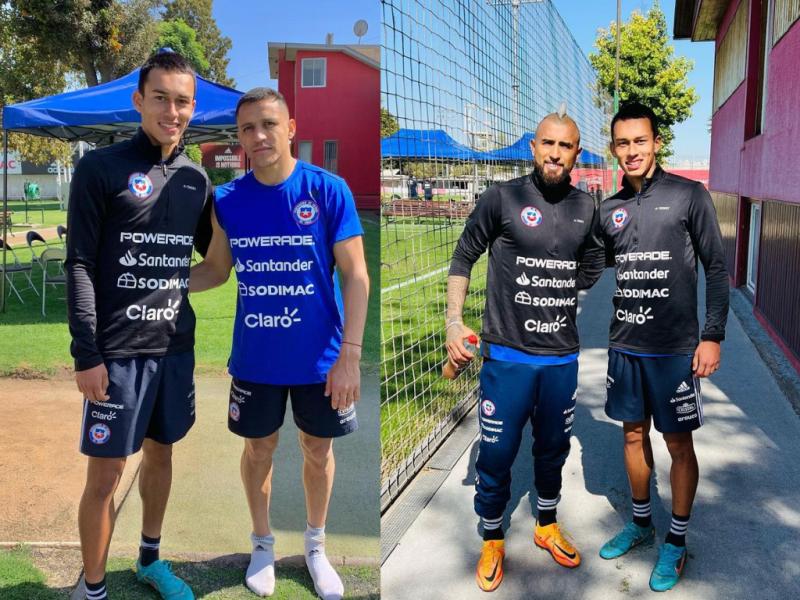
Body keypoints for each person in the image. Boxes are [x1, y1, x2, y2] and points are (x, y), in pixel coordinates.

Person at [189, 87, 369, 600]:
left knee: (317, 450)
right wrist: (166, 280)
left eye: (269, 124)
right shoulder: (226, 200)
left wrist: (349, 357)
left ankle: (315, 546)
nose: (258, 136)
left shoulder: (328, 190)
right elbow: (217, 270)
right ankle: (263, 544)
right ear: (239, 138)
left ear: (291, 129)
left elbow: (356, 276)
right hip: (256, 358)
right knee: (259, 449)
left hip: (322, 360)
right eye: (247, 128)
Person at [66, 50, 212, 600]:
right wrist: (87, 352)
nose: (171, 111)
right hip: (116, 354)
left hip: (174, 348)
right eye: (161, 98)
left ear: (192, 108)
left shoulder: (197, 179)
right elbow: (79, 262)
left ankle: (151, 558)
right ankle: (94, 587)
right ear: (138, 100)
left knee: (162, 452)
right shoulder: (100, 168)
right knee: (104, 477)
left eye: (182, 101)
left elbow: (211, 259)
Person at [446, 109, 596, 592]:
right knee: (497, 451)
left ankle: (546, 524)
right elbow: (464, 255)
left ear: (577, 152)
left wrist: (560, 286)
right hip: (508, 356)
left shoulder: (585, 207)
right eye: (547, 143)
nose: (555, 153)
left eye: (566, 146)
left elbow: (592, 264)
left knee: (553, 448)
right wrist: (453, 321)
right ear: (533, 147)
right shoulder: (502, 197)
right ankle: (492, 534)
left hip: (561, 358)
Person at [583, 102, 728, 592]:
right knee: (630, 435)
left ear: (655, 142)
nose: (631, 152)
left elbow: (716, 269)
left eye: (639, 141)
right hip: (625, 346)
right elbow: (588, 268)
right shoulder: (609, 209)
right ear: (614, 149)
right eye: (622, 144)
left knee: (678, 443)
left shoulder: (690, 196)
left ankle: (677, 540)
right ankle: (642, 524)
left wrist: (712, 335)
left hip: (674, 351)